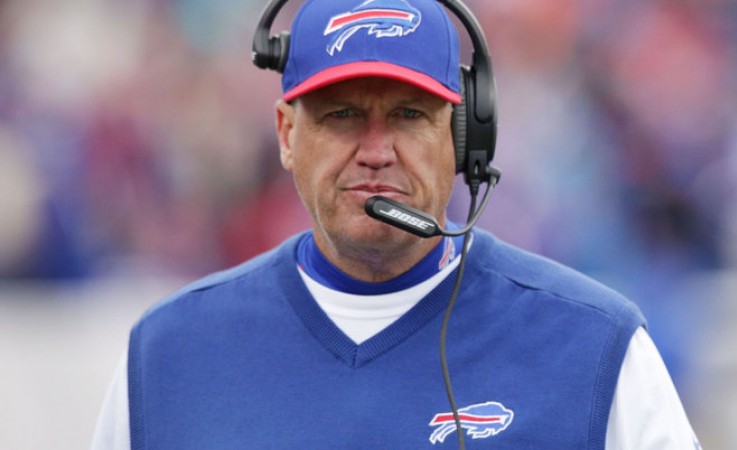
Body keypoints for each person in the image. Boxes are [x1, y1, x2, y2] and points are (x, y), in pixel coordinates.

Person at [92, 0, 701, 448]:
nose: (376, 150)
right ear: (286, 134)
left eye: (409, 114)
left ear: (461, 138)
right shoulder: (168, 355)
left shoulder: (596, 348)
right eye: (343, 116)